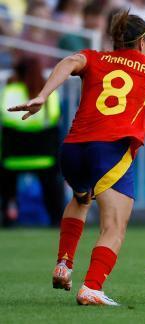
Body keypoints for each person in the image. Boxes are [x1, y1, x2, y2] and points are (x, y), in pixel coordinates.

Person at [8, 10, 145, 306]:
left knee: (81, 199)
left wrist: (43, 96)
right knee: (114, 226)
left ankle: (64, 264)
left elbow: (70, 61)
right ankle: (92, 287)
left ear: (114, 40)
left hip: (73, 148)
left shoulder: (94, 57)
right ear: (144, 42)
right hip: (111, 149)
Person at [0, 56, 64, 227]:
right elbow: (54, 120)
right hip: (45, 157)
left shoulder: (10, 92)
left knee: (6, 185)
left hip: (13, 157)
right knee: (52, 184)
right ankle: (56, 219)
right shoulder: (49, 94)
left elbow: (6, 119)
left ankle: (7, 216)